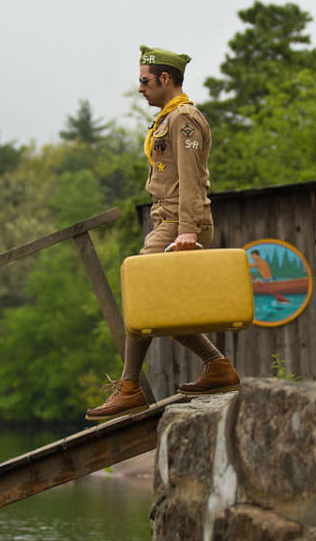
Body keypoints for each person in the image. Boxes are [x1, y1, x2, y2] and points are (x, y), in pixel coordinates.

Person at [85, 45, 240, 422]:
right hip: (166, 220)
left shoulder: (184, 120)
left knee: (144, 297)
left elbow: (190, 178)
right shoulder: (169, 120)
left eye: (144, 81)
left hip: (178, 222)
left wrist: (187, 229)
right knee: (162, 308)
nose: (140, 88)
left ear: (165, 79)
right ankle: (218, 367)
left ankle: (129, 388)